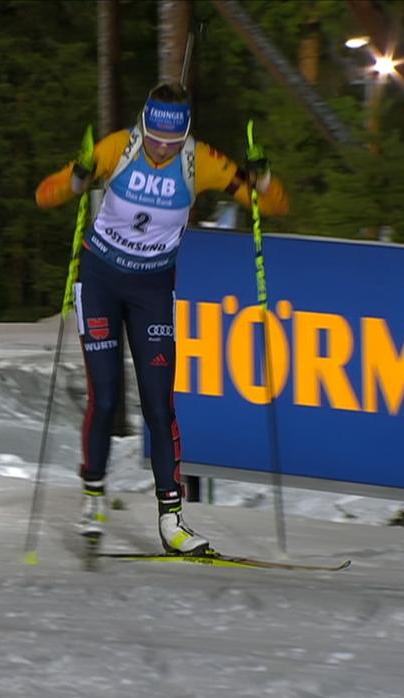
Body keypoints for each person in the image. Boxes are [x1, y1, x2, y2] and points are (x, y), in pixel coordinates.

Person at [34, 81, 290, 555]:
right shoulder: (117, 148)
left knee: (159, 404)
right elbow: (45, 195)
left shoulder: (201, 161)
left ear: (185, 137)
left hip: (153, 288)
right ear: (143, 126)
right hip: (102, 281)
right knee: (106, 396)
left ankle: (172, 519)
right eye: (154, 139)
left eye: (170, 144)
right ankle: (92, 497)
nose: (160, 150)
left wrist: (264, 178)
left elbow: (271, 205)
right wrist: (79, 176)